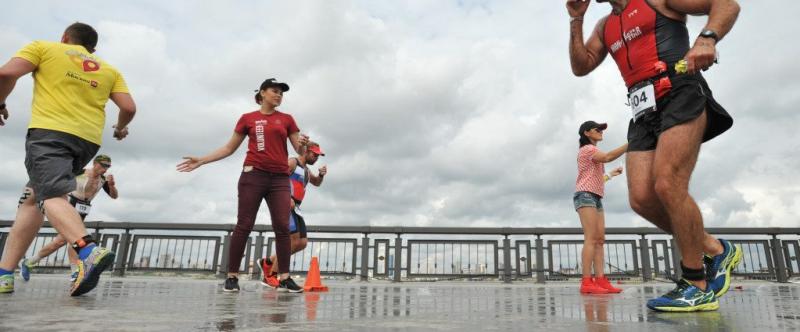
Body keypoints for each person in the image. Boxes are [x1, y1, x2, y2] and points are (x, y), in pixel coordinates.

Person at [567, 0, 742, 311]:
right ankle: (716, 249)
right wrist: (576, 20)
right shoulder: (604, 25)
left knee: (668, 183)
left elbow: (726, 5)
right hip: (642, 110)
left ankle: (695, 283)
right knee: (642, 199)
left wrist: (707, 37)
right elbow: (582, 65)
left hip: (679, 92)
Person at [0, 22, 137, 296]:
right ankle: (5, 273)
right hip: (86, 140)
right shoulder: (109, 69)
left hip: (50, 133)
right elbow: (128, 108)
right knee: (32, 198)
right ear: (93, 48)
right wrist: (120, 128)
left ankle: (87, 249)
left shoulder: (44, 47)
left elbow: (6, 73)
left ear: (64, 38)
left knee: (52, 195)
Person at [178, 78, 308, 293]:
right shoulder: (248, 119)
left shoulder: (287, 120)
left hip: (279, 179)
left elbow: (299, 152)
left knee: (282, 228)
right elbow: (229, 148)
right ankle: (232, 276)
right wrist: (201, 160)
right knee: (244, 225)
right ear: (262, 94)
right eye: (274, 91)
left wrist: (303, 146)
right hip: (253, 176)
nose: (279, 95)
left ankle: (284, 277)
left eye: (281, 93)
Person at [19, 155, 119, 282]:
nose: (105, 169)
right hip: (69, 205)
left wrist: (112, 186)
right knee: (73, 239)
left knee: (63, 241)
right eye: (103, 165)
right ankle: (74, 272)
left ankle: (29, 262)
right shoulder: (80, 172)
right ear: (95, 163)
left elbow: (114, 196)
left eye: (108, 166)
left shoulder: (103, 179)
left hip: (82, 210)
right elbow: (59, 179)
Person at [258, 142, 327, 288]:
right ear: (306, 151)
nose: (316, 158)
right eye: (314, 154)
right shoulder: (292, 162)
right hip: (285, 204)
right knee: (292, 241)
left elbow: (316, 183)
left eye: (318, 156)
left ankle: (268, 262)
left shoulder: (307, 171)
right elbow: (277, 177)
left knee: (302, 243)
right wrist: (286, 196)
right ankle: (271, 275)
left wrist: (321, 175)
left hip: (296, 207)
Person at [574, 121, 627, 294]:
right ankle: (587, 282)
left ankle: (601, 280)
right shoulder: (588, 150)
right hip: (585, 195)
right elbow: (608, 157)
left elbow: (595, 177)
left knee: (600, 240)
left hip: (595, 197)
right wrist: (630, 144)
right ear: (587, 133)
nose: (601, 131)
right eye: (598, 129)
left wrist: (611, 174)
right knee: (591, 238)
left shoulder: (591, 152)